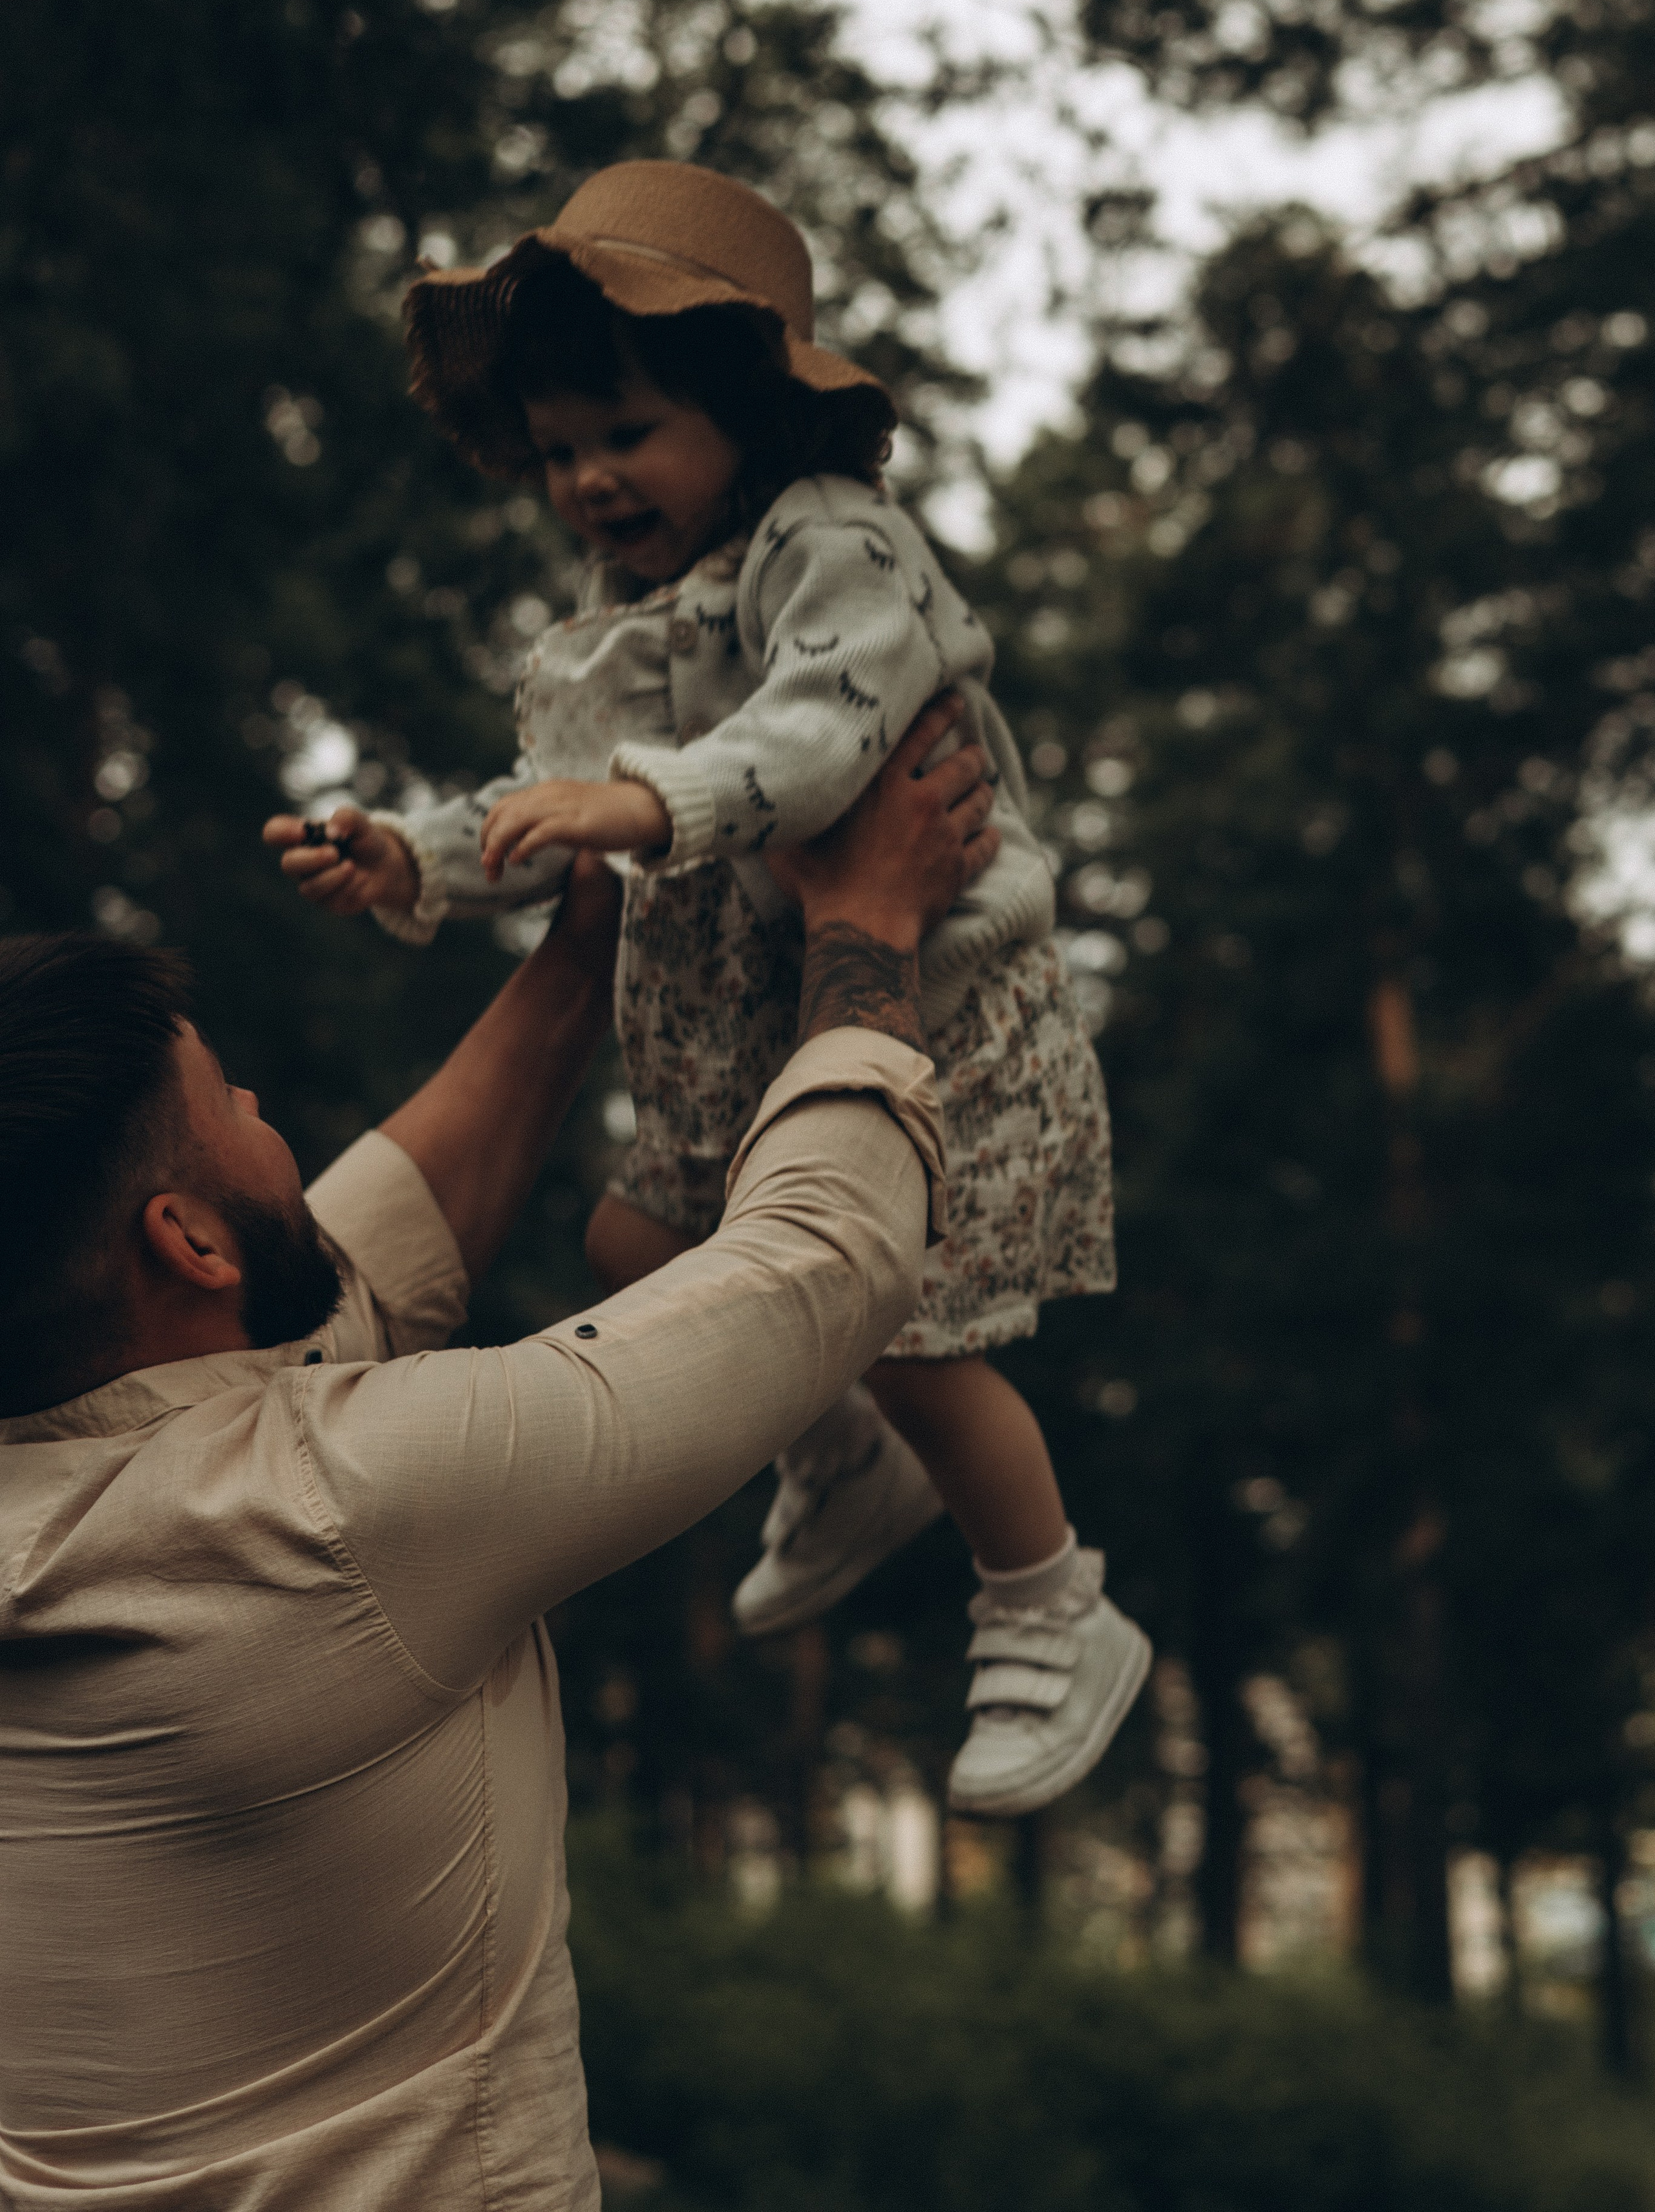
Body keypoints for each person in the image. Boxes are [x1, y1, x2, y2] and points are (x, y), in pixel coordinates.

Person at [1, 708, 983, 2212]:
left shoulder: (129, 1486)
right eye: (231, 1108)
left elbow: (379, 1245)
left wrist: (586, 955)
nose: (268, 1115)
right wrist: (868, 919)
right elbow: (812, 1269)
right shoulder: (329, 1515)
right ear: (184, 1241)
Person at [266, 160, 1149, 1816]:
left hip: (922, 1023)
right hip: (735, 1041)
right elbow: (557, 792)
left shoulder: (837, 551)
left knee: (912, 1336)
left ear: (745, 407)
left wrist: (645, 802)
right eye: (557, 452)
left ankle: (1048, 1602)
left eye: (624, 432)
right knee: (634, 1246)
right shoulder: (633, 608)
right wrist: (420, 857)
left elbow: (815, 734)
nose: (588, 480)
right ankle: (840, 1463)